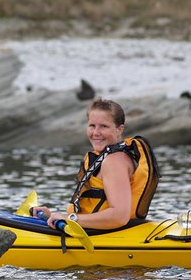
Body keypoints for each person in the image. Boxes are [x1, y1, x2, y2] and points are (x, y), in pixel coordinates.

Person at [33, 98, 159, 230]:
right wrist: (53, 216)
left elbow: (119, 217)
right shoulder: (105, 157)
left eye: (103, 126)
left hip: (111, 236)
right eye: (92, 126)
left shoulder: (114, 161)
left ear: (119, 129)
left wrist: (69, 218)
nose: (96, 133)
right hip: (97, 232)